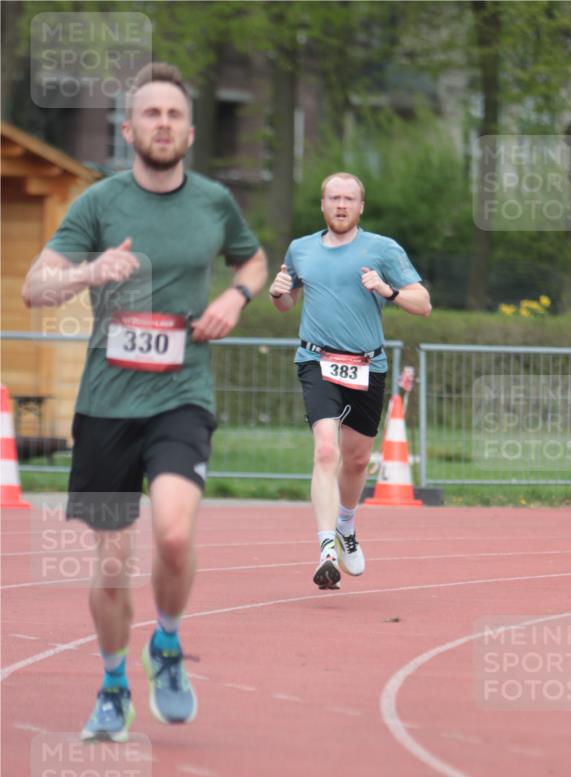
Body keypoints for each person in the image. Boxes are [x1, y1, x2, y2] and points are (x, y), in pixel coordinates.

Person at [22, 63, 267, 740]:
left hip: (180, 395)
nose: (163, 123)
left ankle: (164, 642)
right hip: (105, 402)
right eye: (150, 114)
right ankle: (110, 685)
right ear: (127, 129)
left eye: (174, 115)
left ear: (189, 132)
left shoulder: (215, 202)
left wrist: (233, 296)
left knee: (174, 532)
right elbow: (34, 288)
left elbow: (253, 259)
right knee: (109, 563)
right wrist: (87, 272)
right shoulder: (98, 204)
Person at [269, 172, 431, 588]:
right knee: (326, 451)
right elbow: (288, 305)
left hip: (366, 365)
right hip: (316, 360)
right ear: (322, 204)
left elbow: (423, 304)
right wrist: (278, 293)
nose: (341, 205)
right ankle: (325, 550)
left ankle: (345, 525)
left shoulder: (382, 249)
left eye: (349, 199)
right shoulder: (300, 249)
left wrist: (388, 291)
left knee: (357, 459)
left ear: (361, 206)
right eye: (334, 198)